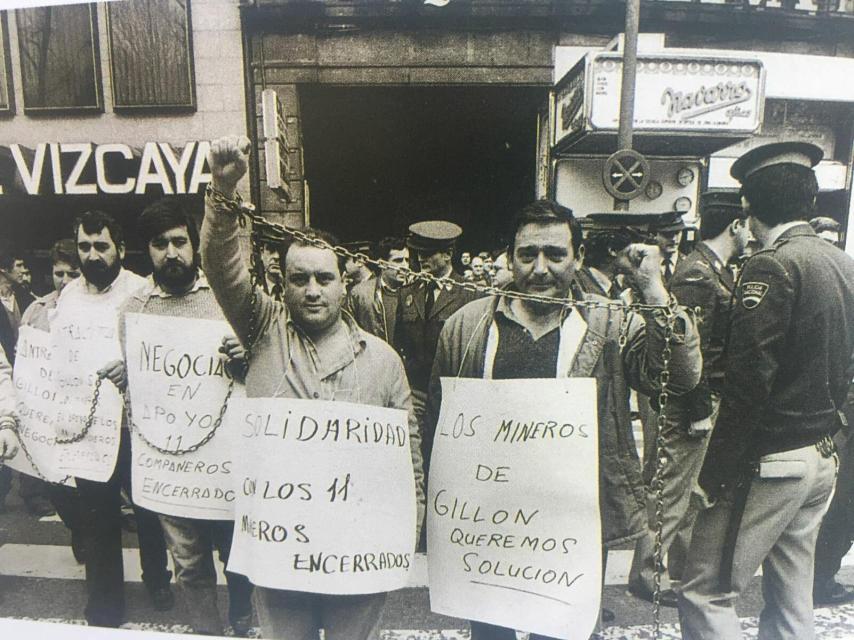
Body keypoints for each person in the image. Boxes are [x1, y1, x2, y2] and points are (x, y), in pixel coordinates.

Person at [427, 199, 702, 639]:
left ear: (577, 257)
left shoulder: (609, 323)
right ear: (510, 258)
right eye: (527, 254)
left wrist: (653, 289)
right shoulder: (466, 327)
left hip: (573, 526)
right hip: (489, 525)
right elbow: (440, 428)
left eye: (555, 255)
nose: (540, 268)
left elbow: (679, 378)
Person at [201, 135, 425, 640]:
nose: (312, 290)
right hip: (282, 550)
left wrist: (404, 536)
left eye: (324, 279)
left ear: (345, 282)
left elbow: (407, 462)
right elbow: (221, 266)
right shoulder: (262, 330)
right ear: (282, 285)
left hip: (358, 552)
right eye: (299, 279)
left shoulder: (384, 361)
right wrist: (223, 190)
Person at [677, 141, 854, 640]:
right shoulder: (840, 262)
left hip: (771, 458)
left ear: (748, 206)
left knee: (705, 591)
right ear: (809, 200)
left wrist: (712, 475)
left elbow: (749, 383)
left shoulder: (770, 265)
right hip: (820, 451)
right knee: (792, 596)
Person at [93, 199, 254, 636]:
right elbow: (142, 391)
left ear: (194, 243)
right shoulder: (134, 310)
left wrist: (246, 357)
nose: (171, 253)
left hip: (227, 464)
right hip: (172, 470)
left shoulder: (227, 298)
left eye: (180, 241)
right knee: (189, 565)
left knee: (238, 558)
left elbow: (259, 371)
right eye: (159, 244)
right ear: (146, 250)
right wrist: (126, 376)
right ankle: (206, 632)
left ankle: (243, 618)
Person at [628, 192, 751, 605]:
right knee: (669, 491)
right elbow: (685, 351)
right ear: (735, 225)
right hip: (688, 403)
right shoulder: (698, 274)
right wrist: (699, 409)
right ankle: (646, 575)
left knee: (685, 494)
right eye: (746, 226)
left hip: (705, 398)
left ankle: (677, 570)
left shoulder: (714, 269)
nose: (750, 235)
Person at [56, 209, 172, 627]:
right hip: (90, 429)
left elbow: (162, 357)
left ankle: (157, 577)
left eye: (101, 246)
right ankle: (105, 606)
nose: (92, 255)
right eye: (84, 247)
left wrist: (131, 369)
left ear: (120, 248)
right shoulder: (68, 297)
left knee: (147, 510)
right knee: (98, 516)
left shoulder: (142, 291)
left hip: (136, 426)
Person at [394, 221, 480, 479]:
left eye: (428, 253)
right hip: (417, 392)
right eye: (418, 253)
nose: (421, 259)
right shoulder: (408, 293)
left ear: (447, 254)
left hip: (451, 395)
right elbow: (399, 342)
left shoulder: (469, 295)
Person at [347, 236, 409, 344]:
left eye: (407, 260)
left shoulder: (416, 293)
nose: (405, 266)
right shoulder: (360, 294)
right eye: (398, 261)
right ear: (382, 264)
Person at [653, 211, 687, 286]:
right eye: (667, 234)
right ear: (655, 235)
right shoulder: (646, 265)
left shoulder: (689, 264)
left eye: (677, 233)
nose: (674, 239)